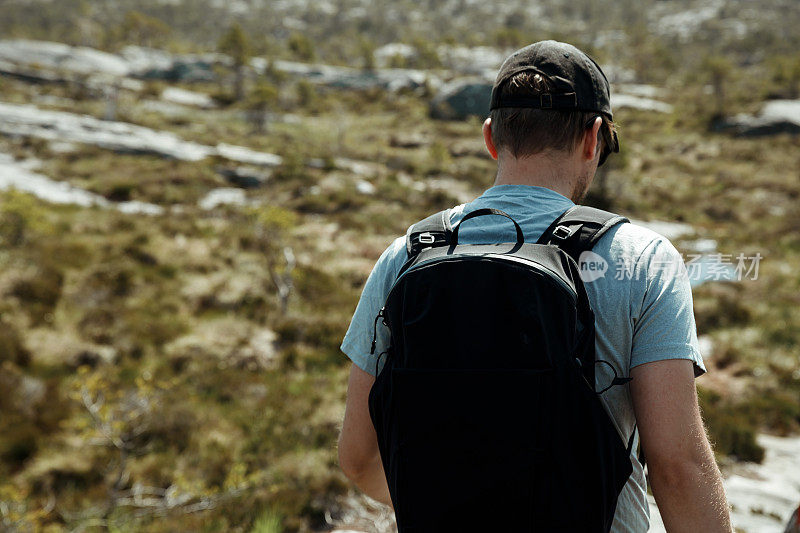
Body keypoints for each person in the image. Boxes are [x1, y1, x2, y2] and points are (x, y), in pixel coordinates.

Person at [338, 40, 732, 532]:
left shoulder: (407, 255)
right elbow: (677, 470)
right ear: (593, 139)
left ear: (490, 137)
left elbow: (357, 457)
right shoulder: (643, 259)